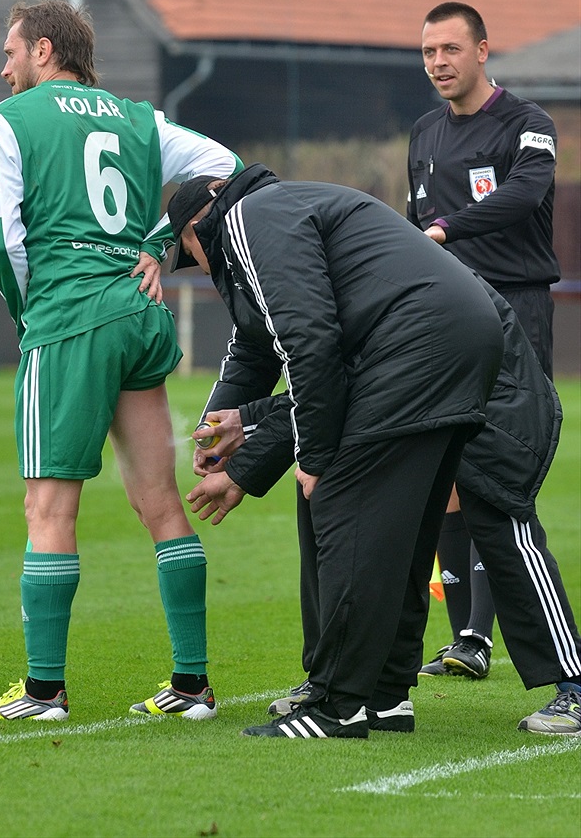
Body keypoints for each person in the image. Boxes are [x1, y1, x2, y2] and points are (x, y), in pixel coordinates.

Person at [0, 0, 243, 722]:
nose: (4, 69)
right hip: (139, 316)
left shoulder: (5, 123)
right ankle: (192, 688)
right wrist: (156, 240)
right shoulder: (138, 117)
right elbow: (226, 167)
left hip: (69, 318)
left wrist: (32, 313)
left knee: (47, 506)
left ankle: (44, 693)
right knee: (159, 502)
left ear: (46, 51)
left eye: (11, 53)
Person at [165, 163, 504, 739]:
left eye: (187, 251)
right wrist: (218, 440)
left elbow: (310, 341)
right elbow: (254, 350)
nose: (196, 265)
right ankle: (384, 694)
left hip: (413, 342)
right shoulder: (282, 210)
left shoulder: (247, 219)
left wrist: (316, 459)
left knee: (340, 506)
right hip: (464, 335)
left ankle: (336, 705)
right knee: (401, 529)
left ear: (201, 225)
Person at [185, 281, 581, 736]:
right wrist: (237, 423)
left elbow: (342, 379)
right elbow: (326, 371)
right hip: (430, 388)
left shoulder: (340, 266)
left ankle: (575, 687)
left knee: (504, 525)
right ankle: (368, 690)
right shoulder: (330, 266)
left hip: (489, 393)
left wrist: (248, 438)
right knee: (357, 507)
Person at [407, 1, 560, 680]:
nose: (438, 63)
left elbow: (526, 197)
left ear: (483, 51)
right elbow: (414, 224)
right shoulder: (423, 133)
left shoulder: (529, 125)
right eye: (428, 52)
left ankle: (494, 638)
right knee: (444, 472)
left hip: (514, 312)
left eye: (450, 49)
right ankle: (467, 640)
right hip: (446, 319)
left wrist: (446, 229)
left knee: (497, 479)